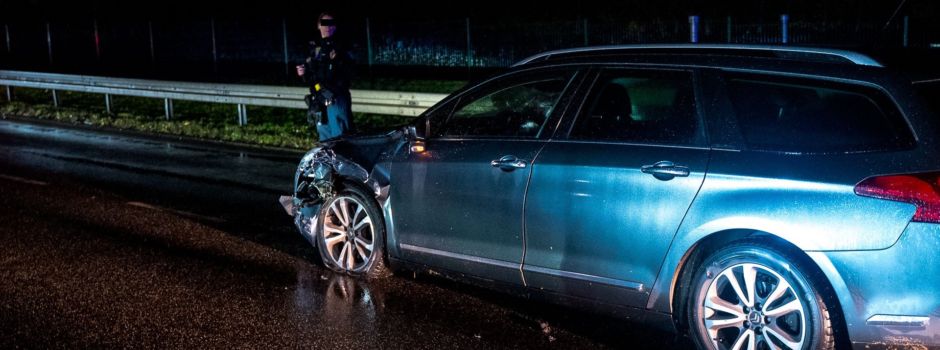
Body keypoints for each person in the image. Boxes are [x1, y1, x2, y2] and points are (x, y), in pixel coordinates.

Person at [296, 12, 354, 141]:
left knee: (341, 138)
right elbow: (312, 78)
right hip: (319, 99)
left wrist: (335, 63)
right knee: (325, 140)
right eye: (324, 23)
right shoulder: (315, 50)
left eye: (331, 24)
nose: (328, 27)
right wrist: (303, 74)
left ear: (335, 27)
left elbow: (346, 75)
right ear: (318, 26)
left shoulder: (341, 48)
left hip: (335, 99)